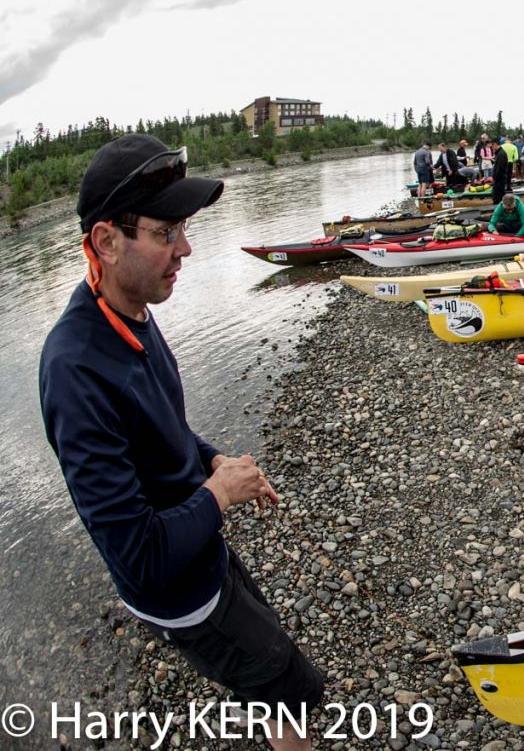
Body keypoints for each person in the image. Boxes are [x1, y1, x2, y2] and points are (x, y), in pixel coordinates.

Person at [39, 135, 323, 749]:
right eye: (167, 232)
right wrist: (218, 494)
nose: (186, 249)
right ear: (107, 242)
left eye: (184, 230)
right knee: (293, 690)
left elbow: (162, 430)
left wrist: (211, 459)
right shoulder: (74, 370)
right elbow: (137, 555)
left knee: (272, 674)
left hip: (201, 552)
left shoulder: (132, 305)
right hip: (178, 594)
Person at [491, 137, 514, 203]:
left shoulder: (501, 154)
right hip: (498, 179)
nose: (491, 147)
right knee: (496, 197)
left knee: (499, 198)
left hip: (499, 180)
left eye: (492, 145)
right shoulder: (499, 153)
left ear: (495, 144)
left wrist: (495, 177)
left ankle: (499, 210)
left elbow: (500, 169)